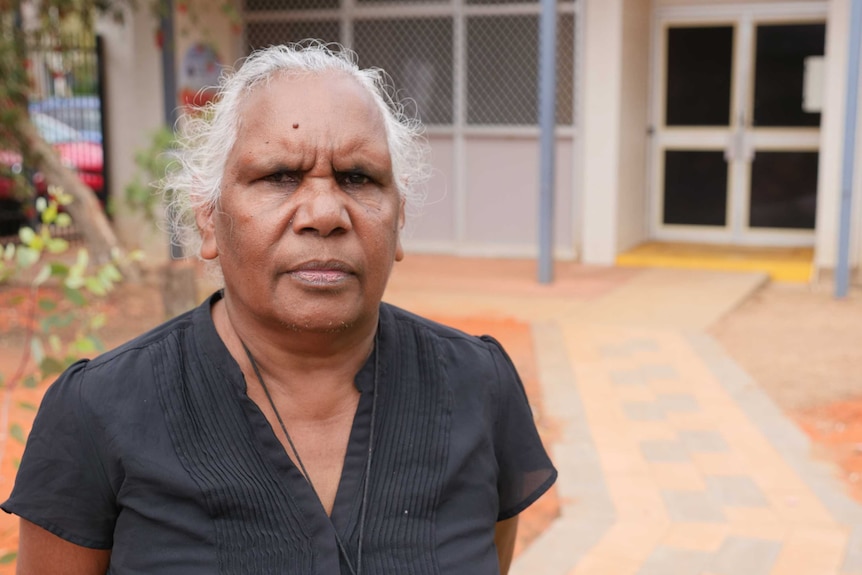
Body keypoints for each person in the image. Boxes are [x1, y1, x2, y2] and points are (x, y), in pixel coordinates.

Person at [2, 41, 557, 575]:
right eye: (279, 177)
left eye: (358, 178)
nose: (324, 212)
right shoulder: (97, 414)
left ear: (399, 219)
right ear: (208, 216)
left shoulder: (478, 388)